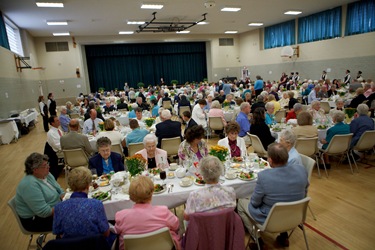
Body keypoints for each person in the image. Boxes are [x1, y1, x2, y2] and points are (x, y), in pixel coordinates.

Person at [237, 143, 308, 249]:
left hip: (270, 220)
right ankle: (284, 236)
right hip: (296, 217)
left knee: (241, 202)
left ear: (270, 160)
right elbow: (305, 191)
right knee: (285, 198)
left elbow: (255, 203)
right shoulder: (301, 170)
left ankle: (258, 240)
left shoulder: (264, 176)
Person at [115, 176, 181, 250]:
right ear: (152, 192)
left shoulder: (121, 216)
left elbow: (116, 231)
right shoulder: (163, 212)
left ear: (131, 196)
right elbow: (176, 225)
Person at [53, 167, 112, 245]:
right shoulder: (96, 204)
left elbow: (58, 232)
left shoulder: (58, 207)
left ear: (70, 186)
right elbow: (106, 233)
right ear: (88, 186)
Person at [15, 153, 64, 232]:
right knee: (75, 219)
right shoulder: (29, 185)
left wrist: (65, 198)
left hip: (55, 208)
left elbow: (60, 190)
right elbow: (44, 212)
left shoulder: (46, 174)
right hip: (36, 221)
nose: (48, 166)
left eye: (47, 163)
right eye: (44, 166)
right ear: (35, 170)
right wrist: (65, 208)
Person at [184, 156, 236, 220]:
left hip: (203, 229)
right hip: (224, 227)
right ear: (220, 171)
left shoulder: (194, 195)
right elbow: (232, 209)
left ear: (201, 173)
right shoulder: (230, 191)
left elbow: (187, 217)